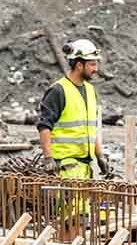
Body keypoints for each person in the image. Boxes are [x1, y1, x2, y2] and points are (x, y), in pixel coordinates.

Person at [37, 39, 109, 178]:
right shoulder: (58, 90)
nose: (96, 69)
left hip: (84, 168)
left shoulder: (90, 90)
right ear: (79, 65)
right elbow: (44, 126)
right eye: (92, 64)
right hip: (65, 168)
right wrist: (48, 158)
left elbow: (91, 130)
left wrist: (100, 155)